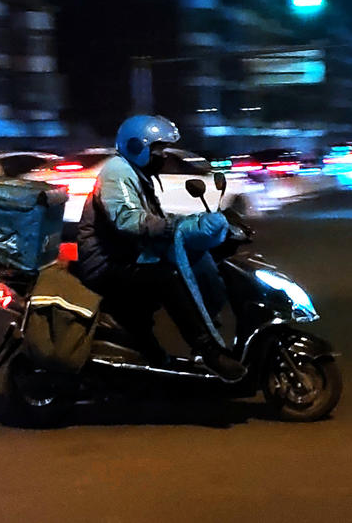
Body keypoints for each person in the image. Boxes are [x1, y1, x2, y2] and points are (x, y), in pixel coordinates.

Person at [75, 114, 246, 381]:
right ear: (136, 147)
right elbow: (128, 220)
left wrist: (194, 223)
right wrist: (173, 228)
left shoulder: (137, 174)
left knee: (198, 259)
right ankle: (208, 351)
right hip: (106, 265)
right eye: (158, 150)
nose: (163, 156)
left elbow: (157, 218)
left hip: (127, 257)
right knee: (170, 278)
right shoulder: (116, 172)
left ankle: (182, 341)